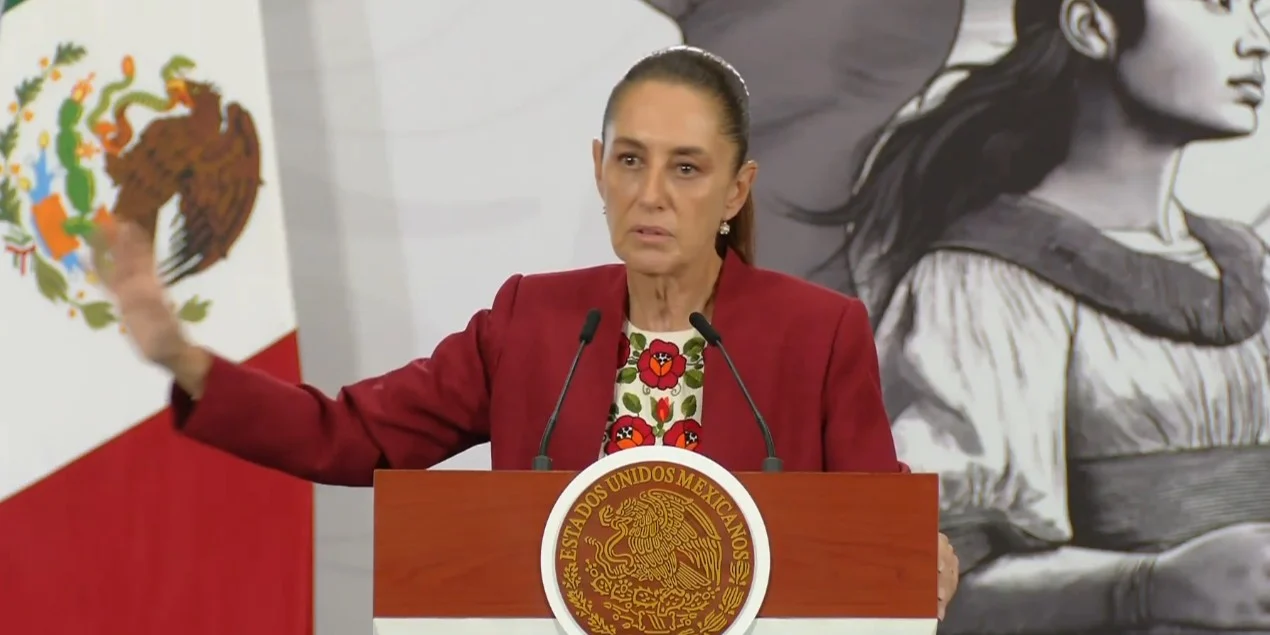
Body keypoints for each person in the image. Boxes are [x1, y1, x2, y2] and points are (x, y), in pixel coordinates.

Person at [93, 46, 959, 616]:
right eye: (631, 160)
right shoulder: (532, 323)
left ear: (736, 191)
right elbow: (349, 435)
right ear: (599, 169)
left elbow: (871, 520)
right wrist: (185, 359)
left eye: (687, 168)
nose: (651, 194)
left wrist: (924, 553)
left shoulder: (817, 333)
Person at [819, 0, 1270, 632]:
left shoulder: (1251, 265)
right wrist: (1147, 587)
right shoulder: (984, 283)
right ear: (1092, 25)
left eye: (1256, 9)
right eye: (1218, 5)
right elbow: (919, 574)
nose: (1258, 40)